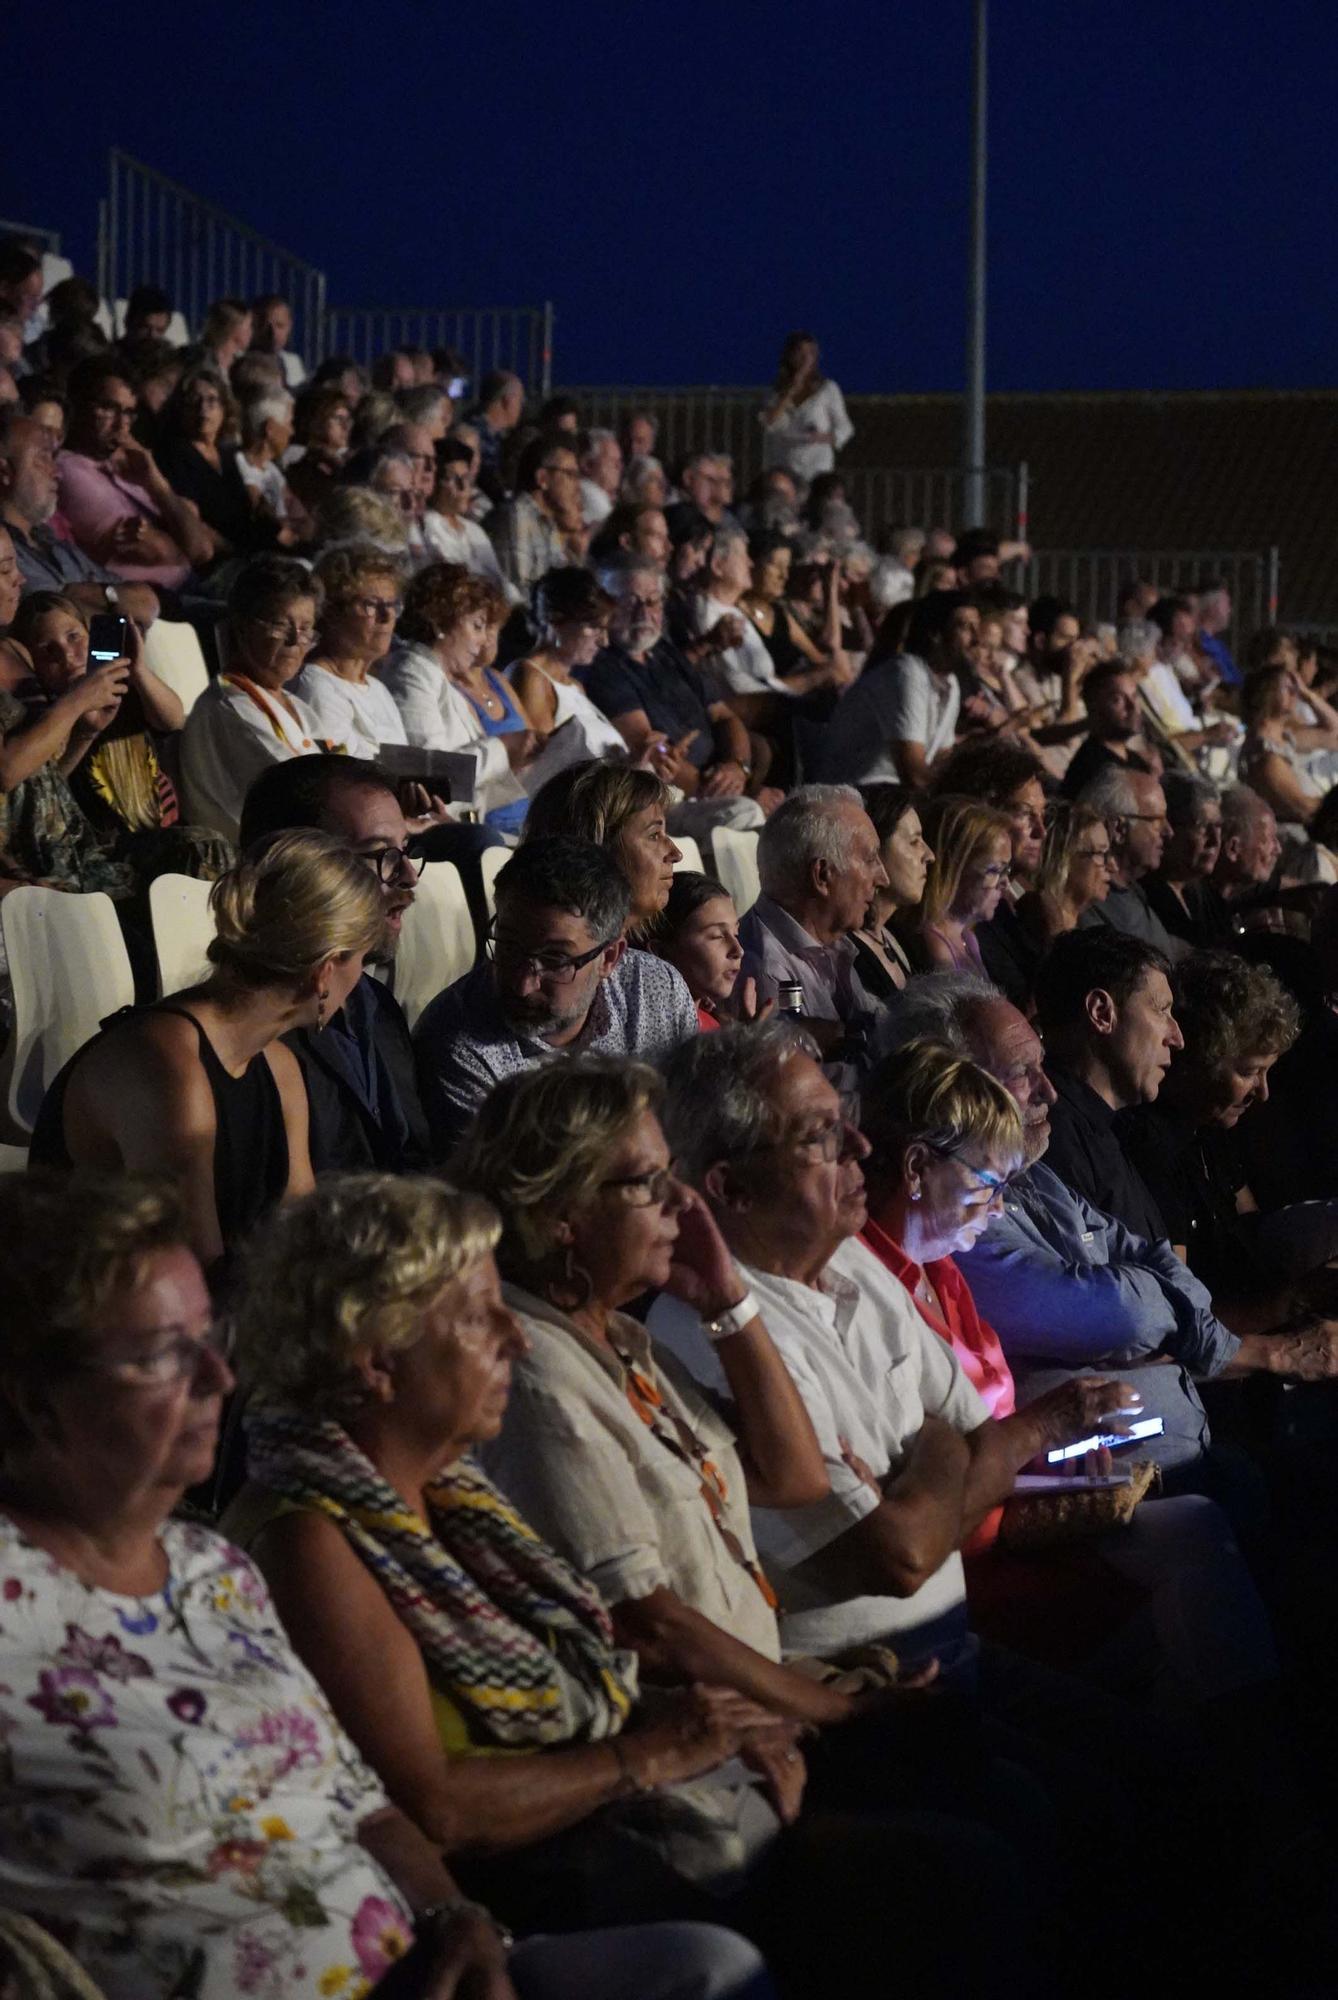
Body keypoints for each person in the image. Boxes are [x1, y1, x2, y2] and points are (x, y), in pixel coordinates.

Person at [0, 1169, 774, 2000]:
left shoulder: (207, 1570)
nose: (218, 1379)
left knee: (716, 1966)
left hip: (425, 1958)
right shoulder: (48, 1600)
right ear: (35, 1395)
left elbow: (364, 1803)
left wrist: (458, 1922)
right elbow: (439, 1802)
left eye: (210, 1339)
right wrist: (650, 1755)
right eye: (163, 1354)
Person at [883, 974, 1338, 1491]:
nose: (1048, 1090)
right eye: (1022, 1072)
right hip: (1113, 1488)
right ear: (955, 1091)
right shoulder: (956, 1212)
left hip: (1178, 1449)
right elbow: (1126, 1314)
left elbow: (1157, 1258)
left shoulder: (1034, 1176)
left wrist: (1158, 1304)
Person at [30, 831, 384, 1279]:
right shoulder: (165, 1066)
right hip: (96, 1325)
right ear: (325, 971)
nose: (361, 983)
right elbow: (197, 1269)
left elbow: (302, 1239)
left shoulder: (280, 1066)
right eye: (362, 962)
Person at [413, 838, 696, 1157]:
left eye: (555, 960)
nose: (524, 984)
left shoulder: (657, 990)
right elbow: (512, 1191)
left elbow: (695, 1127)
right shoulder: (458, 1044)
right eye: (507, 948)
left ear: (610, 958)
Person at [237, 757, 432, 1173]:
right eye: (379, 855)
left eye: (406, 851)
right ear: (292, 869)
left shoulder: (374, 1003)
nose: (409, 877)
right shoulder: (250, 1040)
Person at [1120, 950, 1338, 1300]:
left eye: (1267, 1072)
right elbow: (1182, 1313)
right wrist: (1298, 1301)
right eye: (1249, 1072)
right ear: (1197, 1058)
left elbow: (1251, 1236)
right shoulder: (1154, 1148)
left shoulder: (1211, 1127)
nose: (1263, 1093)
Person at [7, 590, 229, 883]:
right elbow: (50, 788)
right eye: (48, 650)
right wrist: (82, 725)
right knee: (202, 849)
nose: (66, 655)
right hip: (105, 840)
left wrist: (137, 669)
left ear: (90, 632)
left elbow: (173, 719)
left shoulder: (126, 691)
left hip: (158, 823)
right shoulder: (51, 719)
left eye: (74, 637)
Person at [582, 557, 767, 837]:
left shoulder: (665, 652)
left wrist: (738, 767)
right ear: (606, 607)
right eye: (630, 601)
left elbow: (724, 716)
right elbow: (654, 752)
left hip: (722, 779)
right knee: (747, 813)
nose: (643, 612)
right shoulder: (603, 666)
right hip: (674, 796)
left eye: (653, 601)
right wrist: (729, 792)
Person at [0, 533, 136, 900]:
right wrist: (76, 702)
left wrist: (85, 735)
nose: (20, 578)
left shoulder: (16, 650)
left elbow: (42, 786)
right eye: (5, 568)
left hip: (70, 848)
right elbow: (6, 771)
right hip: (31, 870)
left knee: (201, 851)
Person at [1032, 929, 1179, 1243]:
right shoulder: (1050, 1135)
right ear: (1101, 1012)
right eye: (1161, 1010)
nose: (1177, 1038)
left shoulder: (1111, 1129)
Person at [180, 556, 334, 843]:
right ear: (242, 627)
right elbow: (305, 794)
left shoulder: (295, 704)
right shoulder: (230, 706)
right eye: (280, 625)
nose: (294, 641)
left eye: (305, 628)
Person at [378, 561, 536, 825]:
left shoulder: (442, 680)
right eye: (477, 625)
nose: (483, 640)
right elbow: (429, 772)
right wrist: (503, 748)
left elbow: (472, 791)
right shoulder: (412, 670)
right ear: (441, 621)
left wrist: (522, 766)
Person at [737, 787, 888, 1045]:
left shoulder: (832, 942)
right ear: (822, 876)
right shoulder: (766, 970)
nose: (884, 879)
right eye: (870, 859)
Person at [56, 356, 212, 588]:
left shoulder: (131, 464)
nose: (121, 425)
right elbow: (167, 551)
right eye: (108, 408)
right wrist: (176, 524)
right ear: (77, 406)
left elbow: (202, 549)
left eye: (129, 413)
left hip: (191, 587)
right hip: (152, 604)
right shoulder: (68, 470)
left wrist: (156, 483)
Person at [0, 406, 159, 623]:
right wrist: (112, 602)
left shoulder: (52, 541)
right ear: (4, 472)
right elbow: (54, 620)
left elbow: (146, 601)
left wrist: (99, 596)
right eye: (43, 457)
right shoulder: (7, 554)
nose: (56, 471)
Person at [929, 740, 1048, 1008]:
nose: (1041, 831)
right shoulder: (963, 908)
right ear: (983, 810)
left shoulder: (1011, 908)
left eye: (1043, 815)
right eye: (1026, 814)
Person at [816, 592, 976, 789]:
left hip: (891, 796)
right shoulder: (906, 671)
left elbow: (941, 759)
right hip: (856, 795)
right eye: (966, 627)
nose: (977, 639)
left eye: (978, 627)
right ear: (935, 634)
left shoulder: (950, 681)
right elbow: (914, 776)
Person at [520, 760, 685, 936]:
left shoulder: (649, 962)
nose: (676, 854)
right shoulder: (543, 963)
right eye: (654, 835)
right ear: (595, 850)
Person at [508, 566, 628, 784]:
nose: (604, 641)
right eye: (593, 627)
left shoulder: (575, 686)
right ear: (556, 620)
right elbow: (544, 768)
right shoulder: (530, 676)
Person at [291, 543, 406, 758]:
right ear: (331, 611)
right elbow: (343, 780)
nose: (387, 617)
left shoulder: (378, 689)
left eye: (392, 605)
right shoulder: (316, 687)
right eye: (371, 605)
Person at [154, 364, 262, 559]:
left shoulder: (228, 455)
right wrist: (235, 554)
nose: (203, 408)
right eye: (194, 400)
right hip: (213, 558)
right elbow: (190, 520)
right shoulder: (173, 454)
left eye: (212, 400)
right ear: (180, 409)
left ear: (224, 409)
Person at [1077, 764, 1185, 957]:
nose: (1169, 832)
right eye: (1157, 821)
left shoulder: (1133, 889)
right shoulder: (1088, 899)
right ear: (1118, 829)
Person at [652, 870, 775, 1031]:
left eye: (736, 933)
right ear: (662, 952)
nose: (738, 951)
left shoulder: (714, 1026)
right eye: (717, 936)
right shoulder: (656, 1035)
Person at [903, 797, 1013, 974]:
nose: (1005, 883)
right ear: (953, 869)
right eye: (994, 871)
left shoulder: (967, 938)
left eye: (1007, 870)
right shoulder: (936, 947)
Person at [848, 783, 933, 998]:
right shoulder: (844, 953)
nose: (930, 856)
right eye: (914, 842)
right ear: (873, 849)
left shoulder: (904, 937)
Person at [739, 531, 851, 692]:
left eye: (786, 567)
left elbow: (822, 657)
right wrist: (815, 677)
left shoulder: (779, 613)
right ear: (752, 564)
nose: (784, 575)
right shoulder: (735, 615)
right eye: (775, 566)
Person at [487, 435, 579, 604]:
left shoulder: (547, 523)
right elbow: (518, 597)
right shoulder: (516, 516)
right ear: (542, 478)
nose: (577, 485)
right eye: (570, 475)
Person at [1014, 801, 1112, 949]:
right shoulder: (1030, 927)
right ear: (1064, 858)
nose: (1111, 866)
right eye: (1100, 853)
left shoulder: (1094, 931)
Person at [759, 333, 853, 486]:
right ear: (790, 356)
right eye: (800, 353)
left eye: (811, 353)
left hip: (816, 465)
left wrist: (823, 437)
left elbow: (845, 427)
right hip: (784, 464)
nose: (805, 358)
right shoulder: (775, 392)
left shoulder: (827, 389)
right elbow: (770, 423)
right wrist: (790, 391)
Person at [1144, 773, 1225, 946]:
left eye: (1218, 827)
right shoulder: (1146, 896)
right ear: (1170, 827)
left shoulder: (1205, 896)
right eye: (1202, 827)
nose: (1215, 841)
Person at [1238, 665, 1323, 828]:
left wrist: (1308, 694)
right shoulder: (1266, 756)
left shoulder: (1283, 739)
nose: (1295, 692)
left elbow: (1334, 735)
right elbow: (1306, 809)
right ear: (1267, 695)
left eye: (1295, 688)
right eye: (1287, 687)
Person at [1059, 661, 1155, 800]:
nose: (1133, 706)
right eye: (1118, 700)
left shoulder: (1137, 762)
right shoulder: (1095, 769)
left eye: (1134, 696)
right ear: (1095, 708)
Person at [421, 436, 507, 586]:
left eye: (466, 478)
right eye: (452, 478)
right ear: (434, 482)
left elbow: (500, 581)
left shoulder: (474, 530)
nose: (462, 487)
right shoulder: (427, 526)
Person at [285, 383, 353, 518]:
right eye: (338, 419)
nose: (346, 426)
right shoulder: (297, 455)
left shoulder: (347, 454)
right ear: (317, 420)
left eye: (348, 419)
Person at [468, 370, 525, 506]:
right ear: (508, 401)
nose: (521, 407)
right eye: (520, 400)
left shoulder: (497, 437)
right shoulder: (476, 436)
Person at [250, 291, 306, 389]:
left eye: (280, 326)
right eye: (266, 326)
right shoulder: (241, 364)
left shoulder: (293, 362)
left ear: (289, 327)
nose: (273, 333)